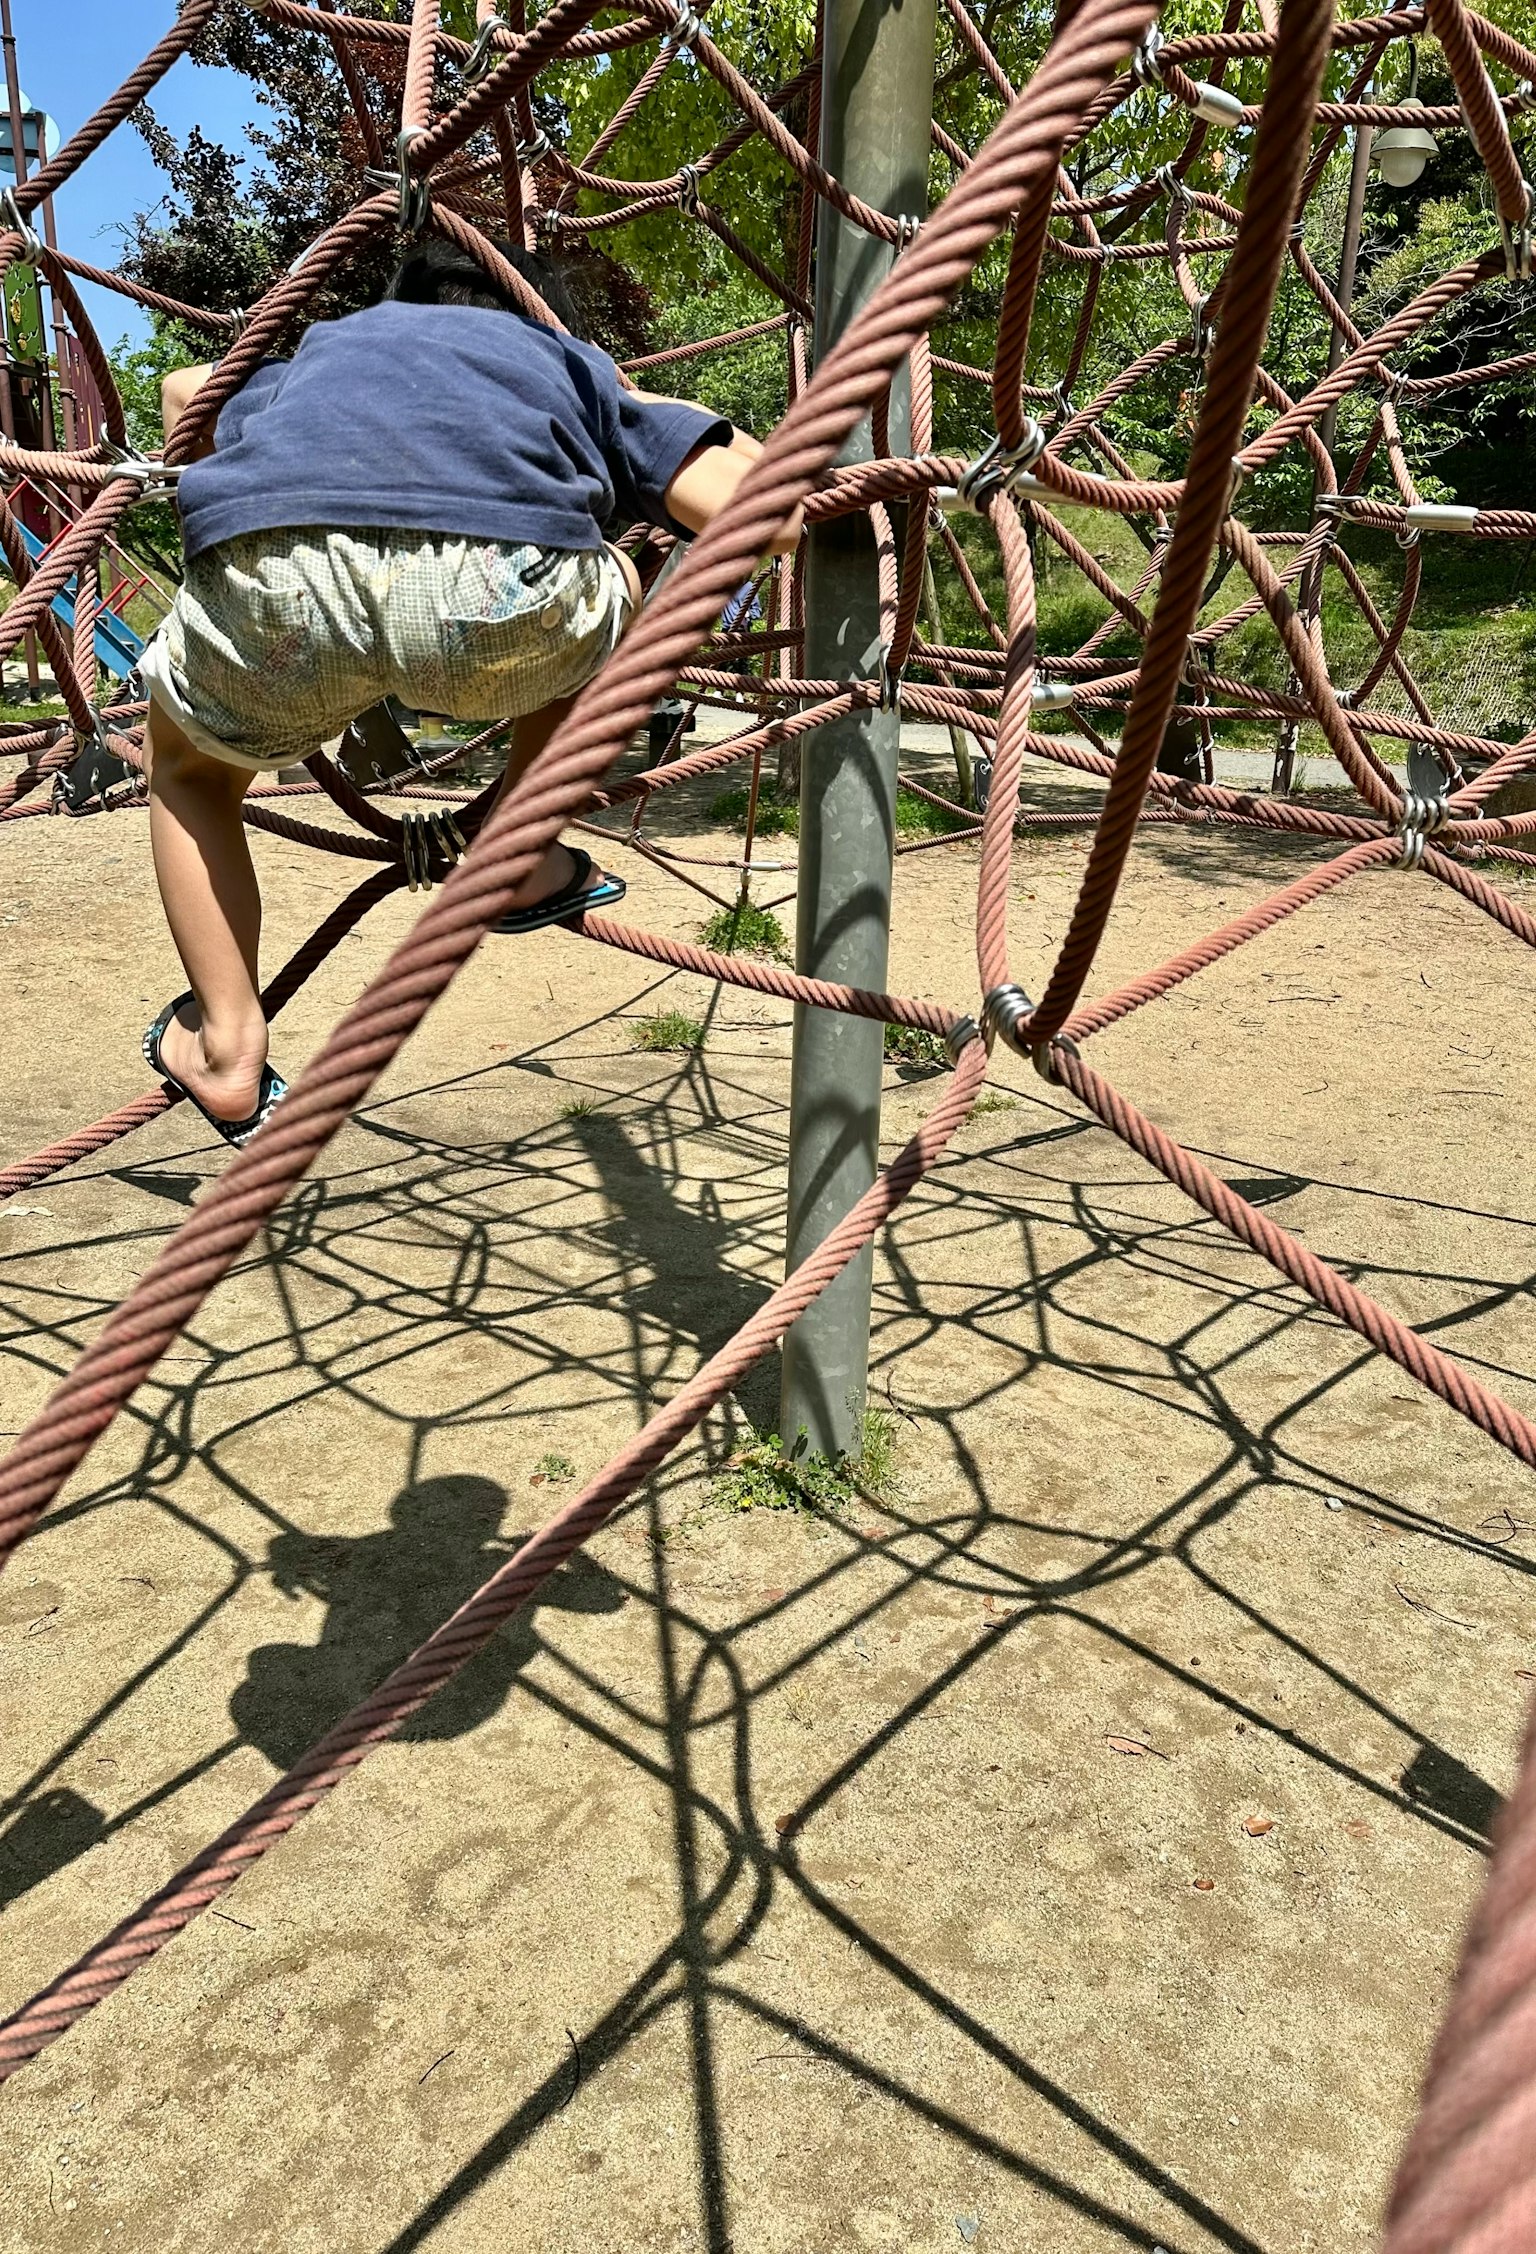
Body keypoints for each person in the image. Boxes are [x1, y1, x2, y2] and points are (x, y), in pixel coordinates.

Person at [139, 237, 801, 1146]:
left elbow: (184, 391)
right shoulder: (567, 364)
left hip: (281, 595)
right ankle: (515, 850)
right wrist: (668, 415)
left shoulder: (332, 350)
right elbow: (771, 511)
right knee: (617, 579)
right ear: (540, 315)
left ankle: (226, 1043)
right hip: (492, 611)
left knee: (188, 774)